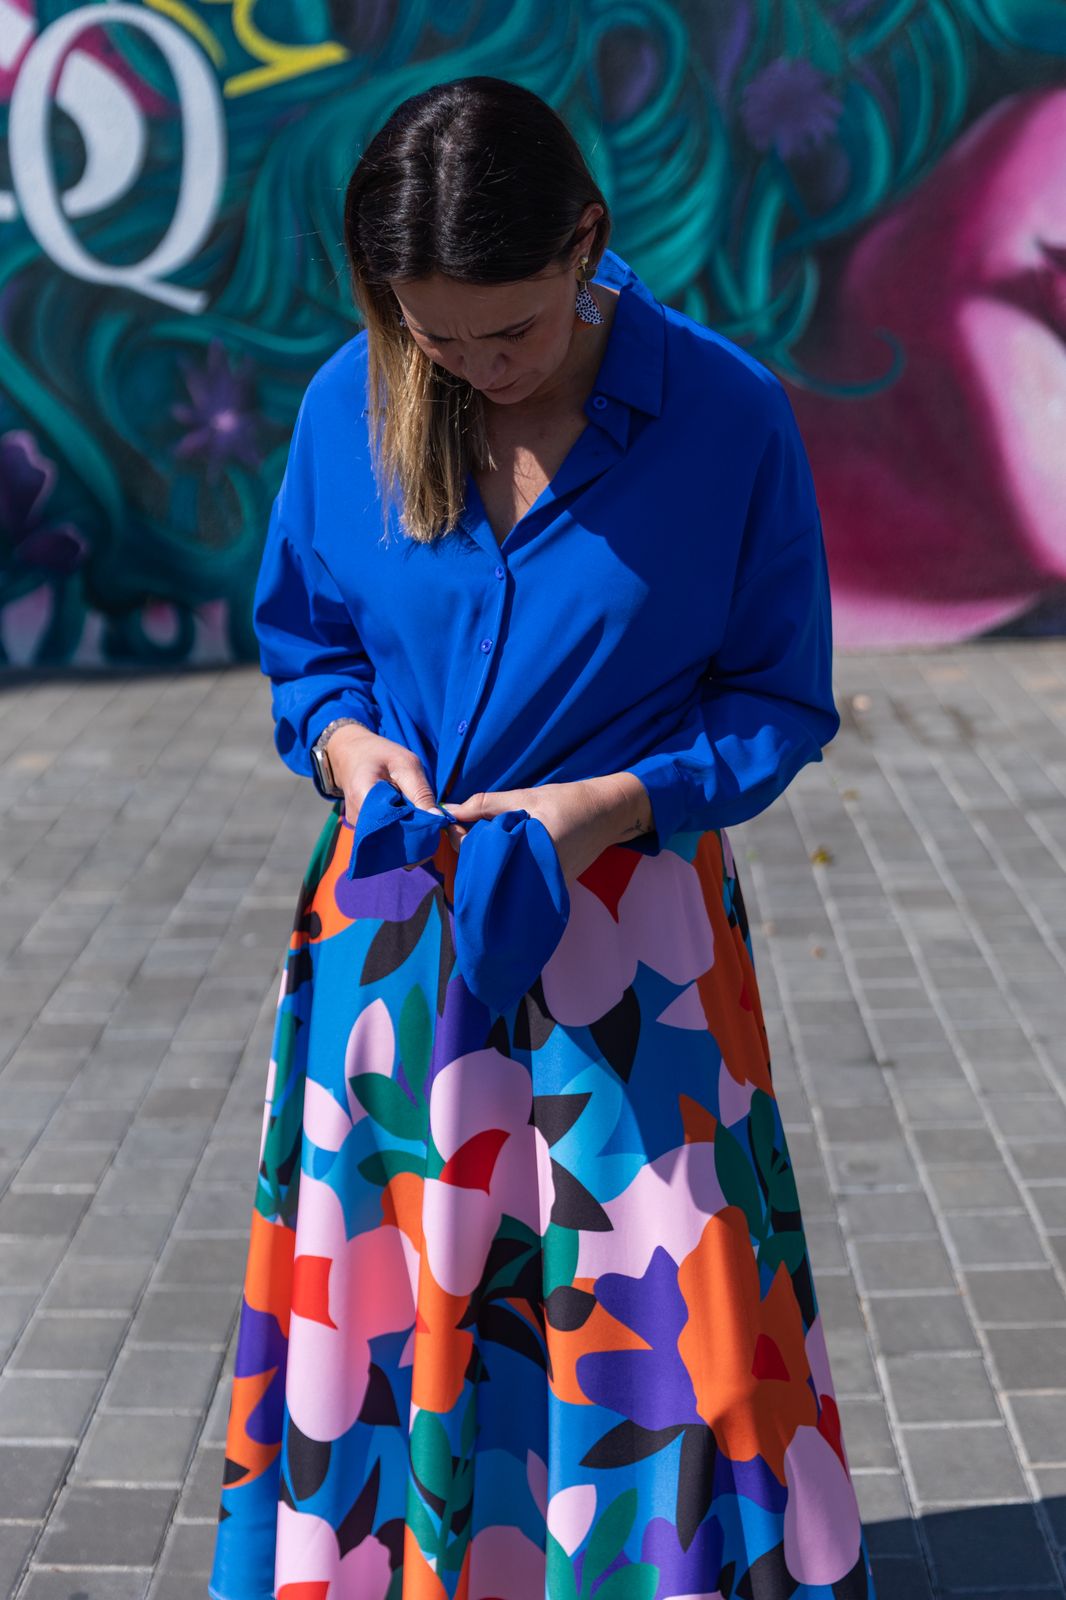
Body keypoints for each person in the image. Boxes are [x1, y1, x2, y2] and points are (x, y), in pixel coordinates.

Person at [208, 75, 878, 1600]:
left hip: (632, 948)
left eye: (507, 330)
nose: (476, 367)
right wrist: (346, 747)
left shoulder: (726, 418)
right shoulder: (347, 399)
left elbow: (777, 700)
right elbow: (308, 650)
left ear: (587, 240)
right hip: (394, 949)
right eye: (435, 338)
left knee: (662, 1310)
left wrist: (611, 804)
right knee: (409, 1291)